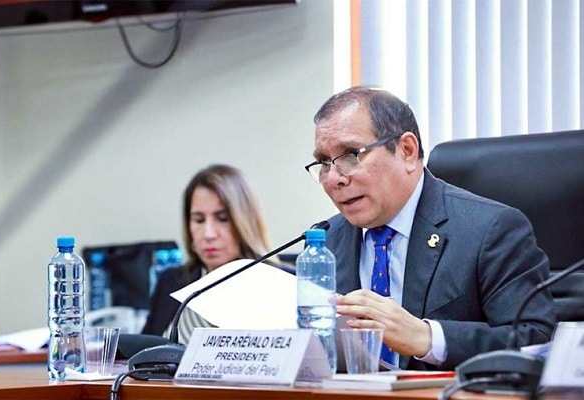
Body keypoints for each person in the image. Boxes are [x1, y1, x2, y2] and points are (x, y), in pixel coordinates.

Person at [305, 86, 555, 370]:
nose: (333, 179)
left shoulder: (491, 230)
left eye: (351, 155)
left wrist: (426, 337)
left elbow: (534, 342)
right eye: (323, 163)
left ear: (407, 151)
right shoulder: (325, 241)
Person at [142, 164, 276, 345]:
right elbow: (140, 352)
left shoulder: (283, 284)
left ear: (246, 222)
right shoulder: (171, 281)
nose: (208, 234)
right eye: (199, 220)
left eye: (222, 219)